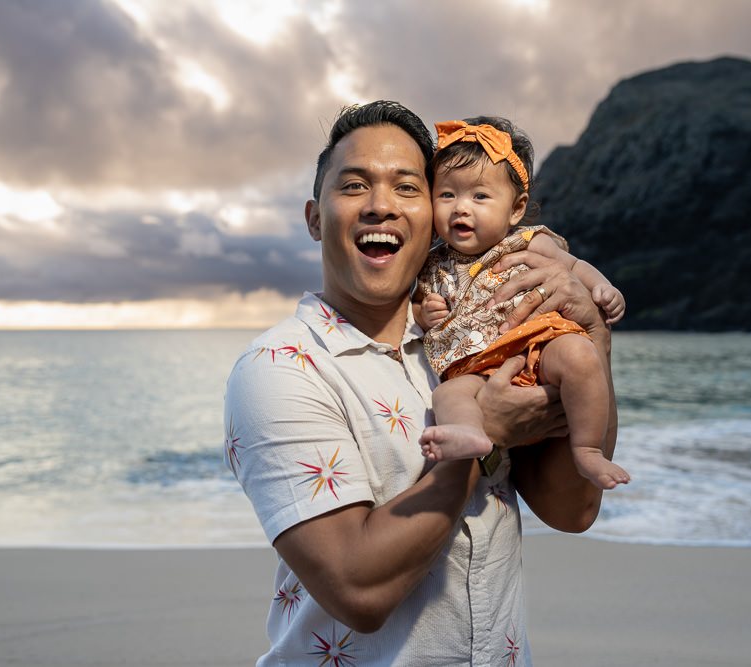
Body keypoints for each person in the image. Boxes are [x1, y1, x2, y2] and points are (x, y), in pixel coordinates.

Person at [224, 101, 618, 665]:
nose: (381, 206)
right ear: (314, 217)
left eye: (407, 188)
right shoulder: (280, 367)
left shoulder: (464, 346)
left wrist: (593, 334)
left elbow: (573, 511)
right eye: (355, 185)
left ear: (431, 218)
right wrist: (485, 436)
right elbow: (357, 591)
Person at [415, 117, 631, 490]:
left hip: (538, 345)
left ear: (516, 209)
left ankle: (587, 449)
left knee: (581, 355)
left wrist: (604, 288)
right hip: (474, 368)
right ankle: (470, 435)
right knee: (447, 394)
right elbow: (416, 306)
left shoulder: (527, 242)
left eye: (480, 196)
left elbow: (576, 267)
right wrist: (422, 312)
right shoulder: (432, 261)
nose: (461, 208)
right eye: (447, 195)